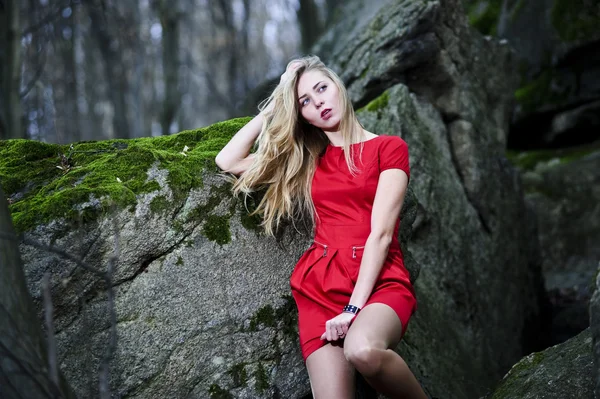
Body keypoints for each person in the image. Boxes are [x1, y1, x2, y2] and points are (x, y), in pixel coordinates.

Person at [215, 55, 427, 399]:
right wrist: (276, 104)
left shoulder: (388, 148)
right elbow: (228, 160)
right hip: (320, 288)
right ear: (301, 115)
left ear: (337, 85)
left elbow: (382, 235)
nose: (319, 103)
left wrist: (353, 310)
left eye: (322, 89)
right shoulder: (308, 160)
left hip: (379, 283)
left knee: (363, 351)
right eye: (305, 102)